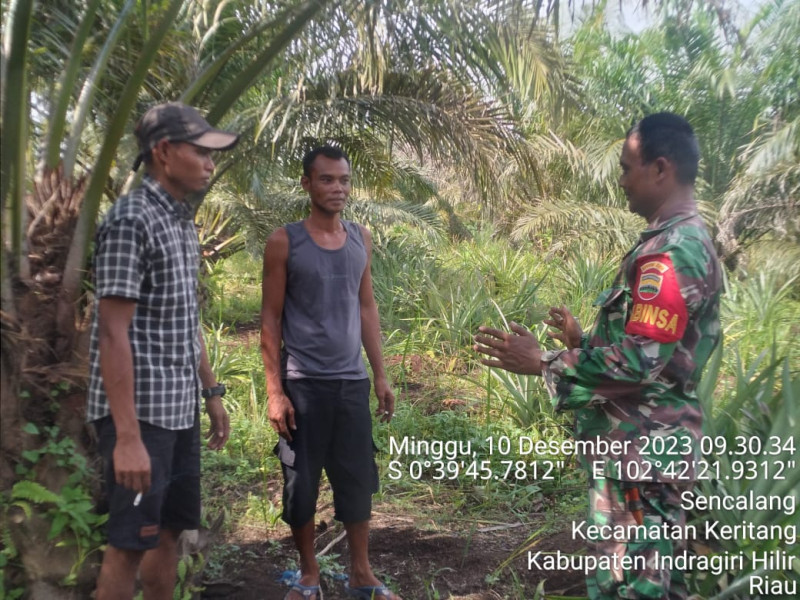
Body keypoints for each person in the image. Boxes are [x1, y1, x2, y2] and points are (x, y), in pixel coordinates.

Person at [474, 113, 722, 600]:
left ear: (660, 168)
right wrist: (580, 341)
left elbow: (640, 361)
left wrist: (544, 363)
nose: (621, 180)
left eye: (627, 167)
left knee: (630, 586)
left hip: (643, 457)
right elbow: (658, 350)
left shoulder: (672, 251)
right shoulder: (669, 241)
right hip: (641, 452)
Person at [87, 102, 237, 600]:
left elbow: (186, 319)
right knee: (130, 543)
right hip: (140, 416)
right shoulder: (131, 220)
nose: (210, 164)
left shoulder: (180, 221)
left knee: (169, 531)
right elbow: (112, 332)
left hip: (178, 409)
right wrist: (126, 437)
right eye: (201, 152)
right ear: (164, 152)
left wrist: (210, 391)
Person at [260, 145, 402, 600]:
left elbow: (366, 306)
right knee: (301, 482)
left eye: (343, 179)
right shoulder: (285, 241)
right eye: (326, 179)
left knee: (358, 479)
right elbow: (270, 318)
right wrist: (273, 391)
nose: (337, 188)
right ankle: (308, 574)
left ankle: (361, 573)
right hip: (302, 383)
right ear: (307, 184)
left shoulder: (361, 237)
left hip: (350, 383)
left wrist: (379, 374)